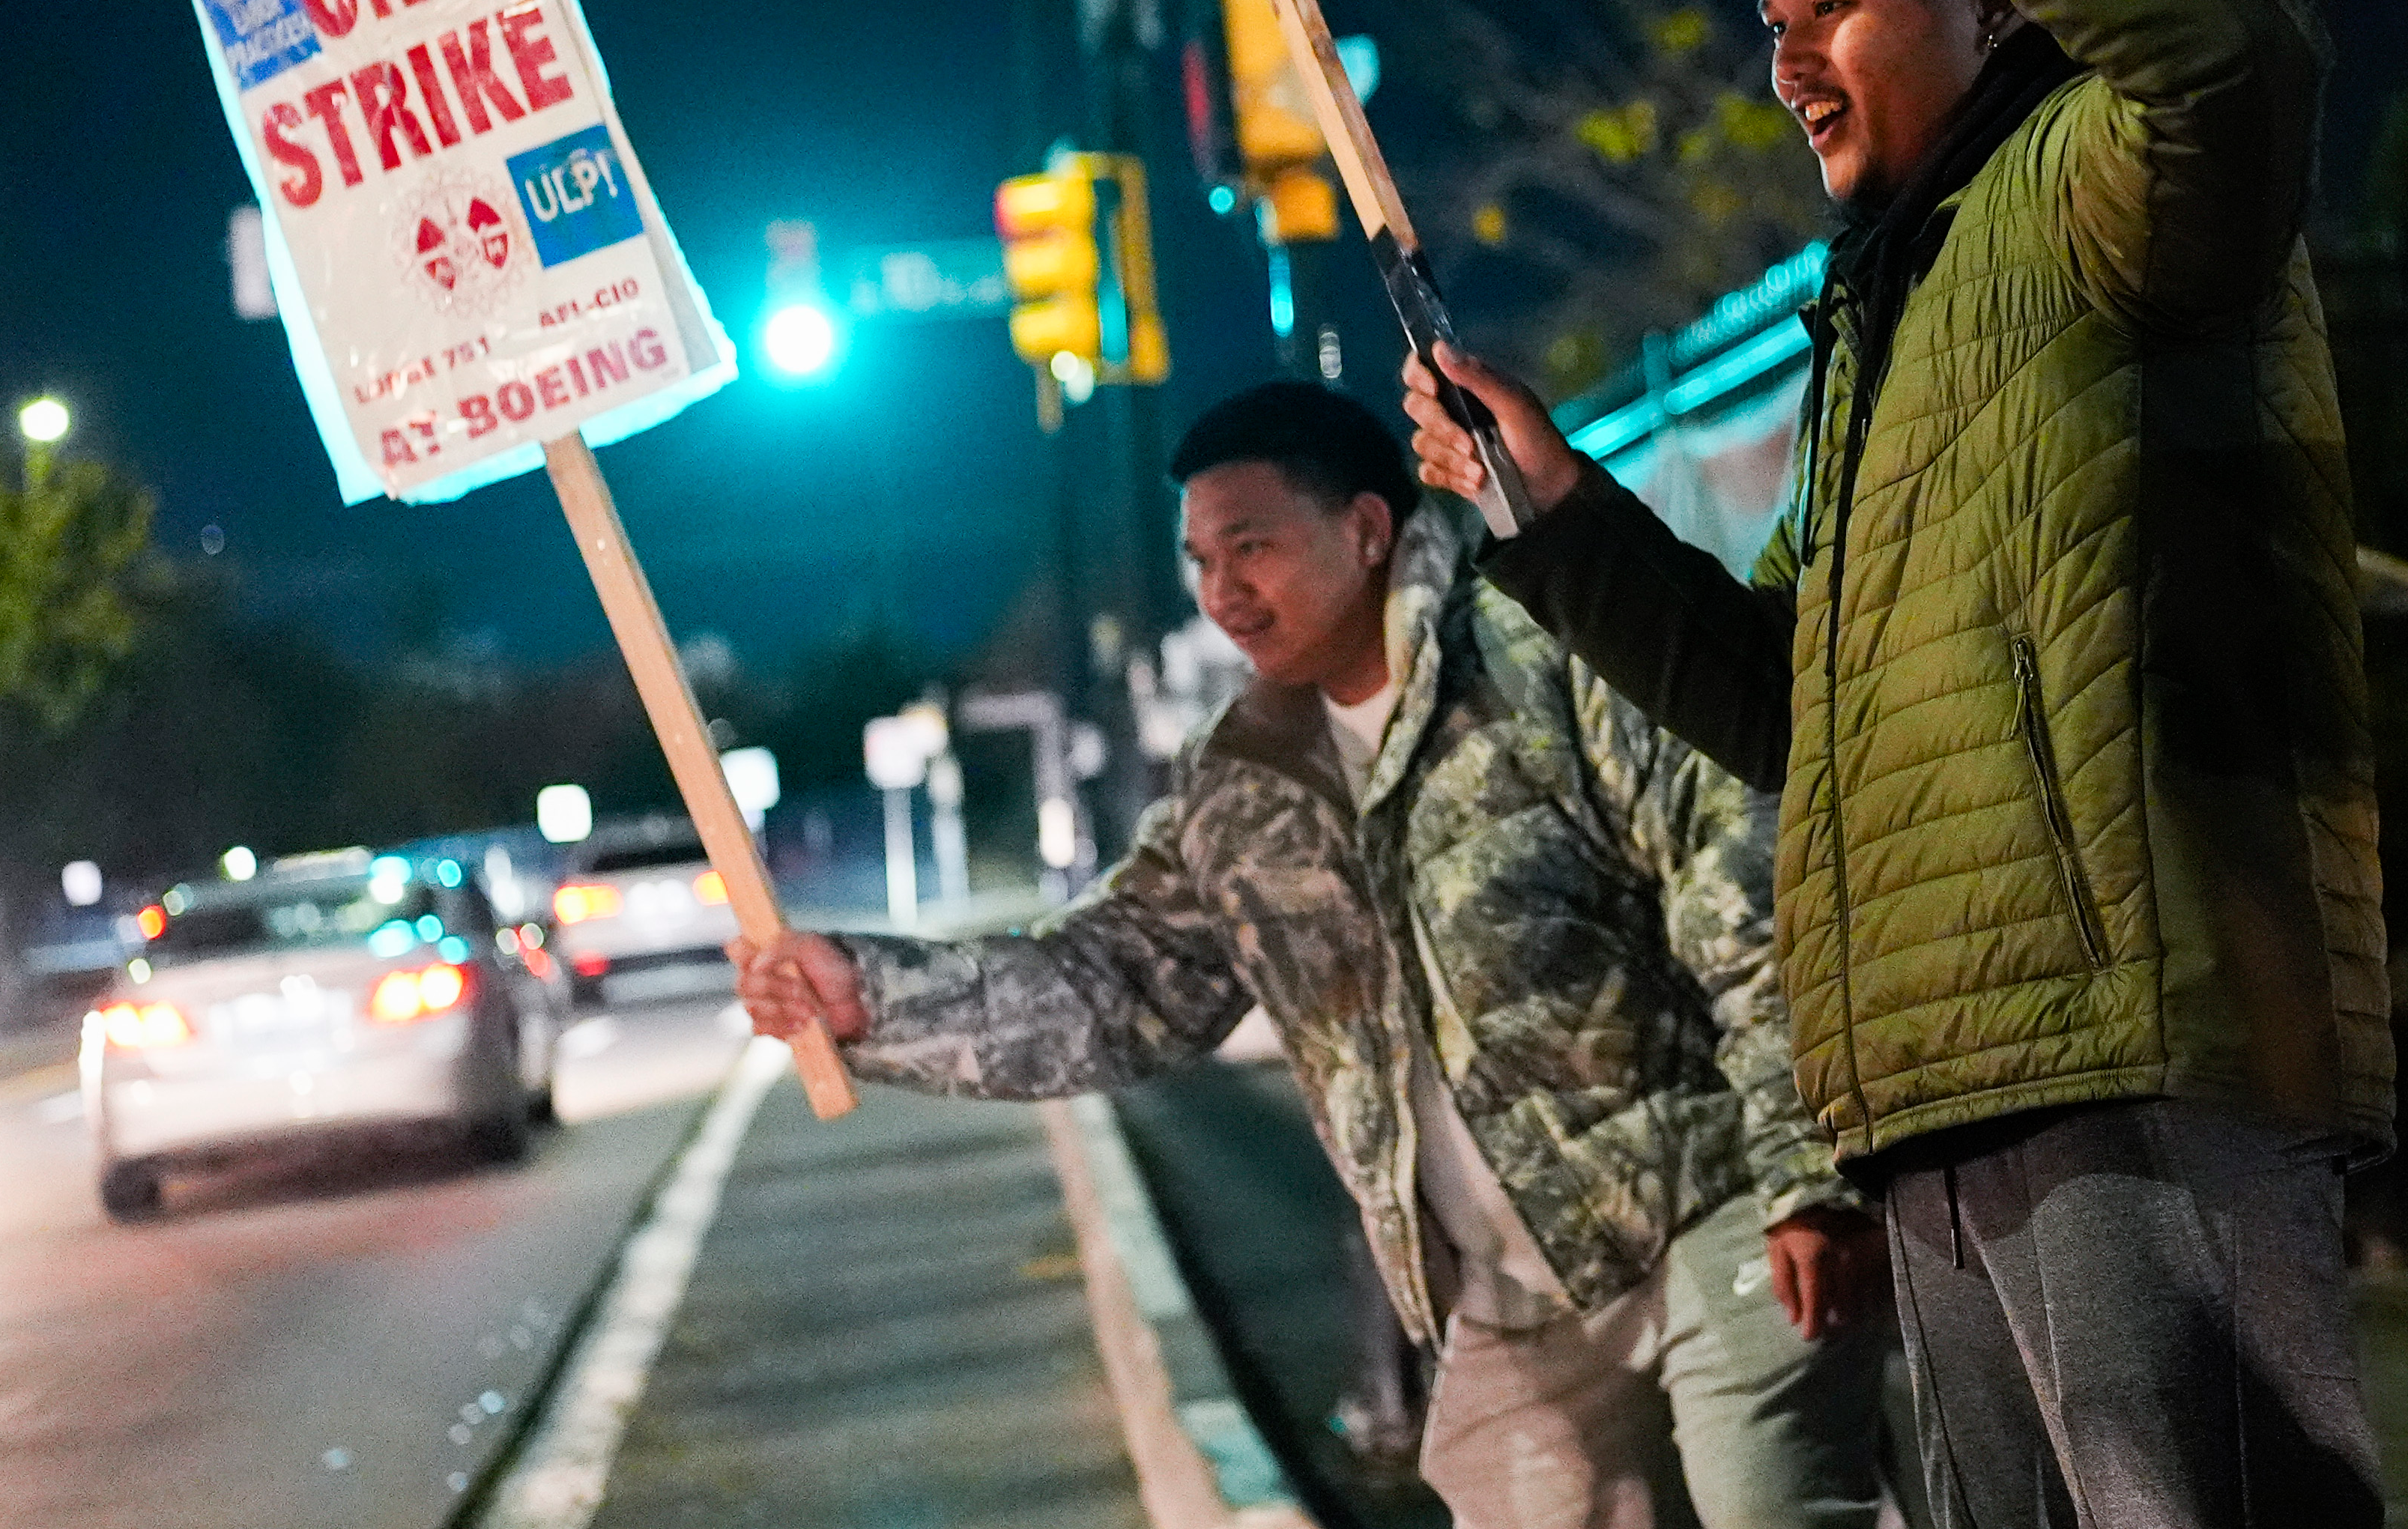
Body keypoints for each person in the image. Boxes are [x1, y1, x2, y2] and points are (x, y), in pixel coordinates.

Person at [1402, 0, 2390, 1529]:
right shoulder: (1885, 320)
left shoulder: (2104, 192)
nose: (1788, 65)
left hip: (2134, 1049)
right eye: (1773, 26)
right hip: (1937, 1081)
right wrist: (1557, 515)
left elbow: (2234, 55)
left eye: (1833, 3)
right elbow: (1791, 708)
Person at [734, 381, 1888, 1529]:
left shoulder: (1544, 651)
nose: (1222, 594)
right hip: (1504, 1303)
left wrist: (1806, 1176)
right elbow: (1115, 982)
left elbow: (1743, 879)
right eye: (1199, 561)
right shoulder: (1241, 782)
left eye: (1251, 548)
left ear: (1367, 529)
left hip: (1718, 1216)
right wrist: (869, 996)